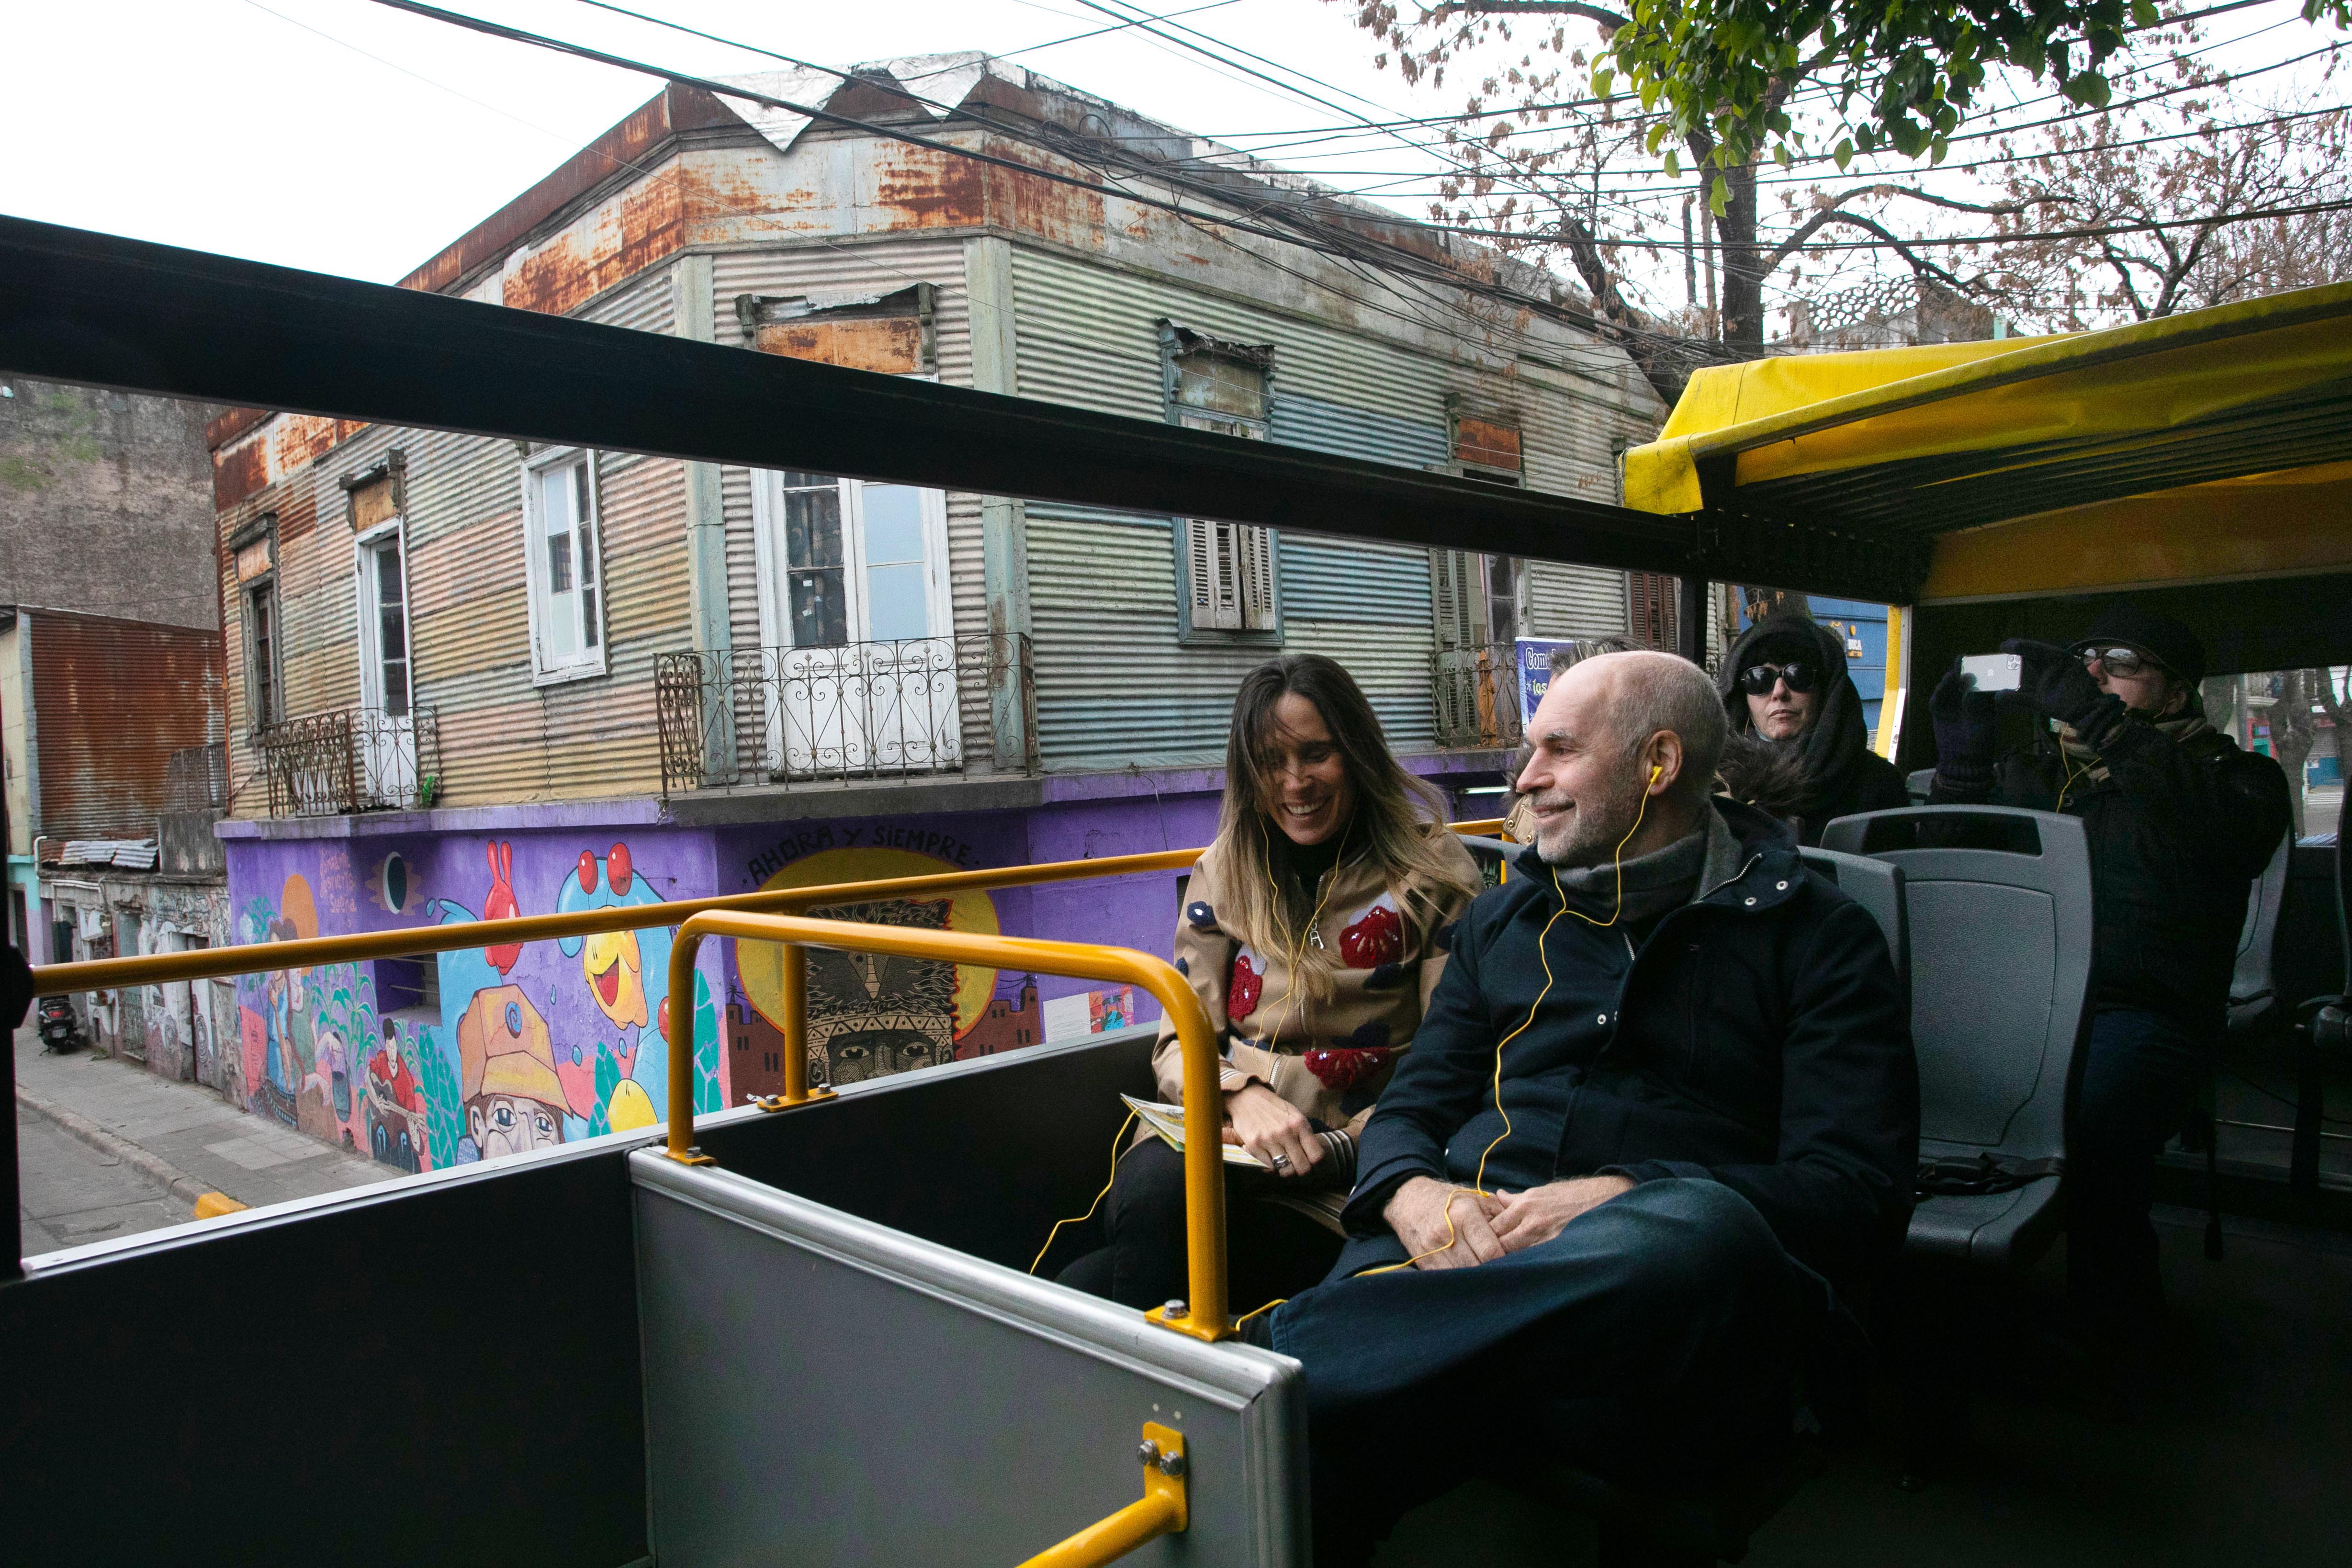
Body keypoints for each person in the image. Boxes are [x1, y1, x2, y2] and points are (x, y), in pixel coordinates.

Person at [1251, 651, 1917, 1565]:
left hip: (1659, 1310)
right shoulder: (1501, 921)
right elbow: (1413, 1105)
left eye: (1557, 750)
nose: (1524, 780)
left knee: (1698, 1232)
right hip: (1466, 1246)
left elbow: (1854, 1193)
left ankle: (1274, 1360)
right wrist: (1410, 1190)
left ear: (1657, 764)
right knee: (1300, 1468)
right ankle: (1327, 1367)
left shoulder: (1816, 939)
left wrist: (1620, 1197)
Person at [1057, 654, 1481, 1311]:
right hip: (1219, 1138)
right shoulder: (1223, 868)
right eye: (1269, 761)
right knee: (1152, 1197)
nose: (1294, 783)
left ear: (1358, 752)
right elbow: (1180, 1036)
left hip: (1344, 1166)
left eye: (1316, 754)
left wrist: (1340, 1148)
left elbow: (1451, 1060)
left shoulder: (1434, 873)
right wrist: (1238, 1095)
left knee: (1087, 1283)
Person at [1928, 605, 2289, 1331]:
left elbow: (2228, 836)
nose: (2091, 672)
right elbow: (1954, 878)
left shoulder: (2238, 777)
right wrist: (1962, 767)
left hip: (2143, 1009)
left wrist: (2102, 723)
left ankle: (2115, 1318)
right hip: (2020, 1006)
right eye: (2081, 659)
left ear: (2177, 692)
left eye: (2119, 662)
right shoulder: (2031, 773)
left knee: (2092, 1119)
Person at [1718, 612, 1910, 845]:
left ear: (1827, 691)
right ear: (1742, 696)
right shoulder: (1716, 785)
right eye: (1759, 679)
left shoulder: (1879, 784)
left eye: (1798, 675)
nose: (1779, 692)